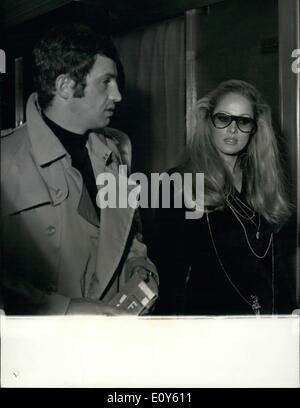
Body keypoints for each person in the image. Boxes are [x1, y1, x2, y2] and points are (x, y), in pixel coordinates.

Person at [1, 24, 158, 315]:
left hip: (109, 343)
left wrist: (140, 268)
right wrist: (63, 310)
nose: (118, 96)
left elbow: (128, 240)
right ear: (64, 86)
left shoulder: (115, 153)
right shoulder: (4, 158)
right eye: (106, 82)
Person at [149, 79, 296, 315]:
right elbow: (167, 272)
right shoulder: (178, 182)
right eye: (223, 118)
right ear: (209, 121)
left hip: (262, 323)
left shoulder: (261, 183)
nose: (233, 129)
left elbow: (274, 267)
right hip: (204, 326)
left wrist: (290, 314)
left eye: (243, 121)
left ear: (255, 128)